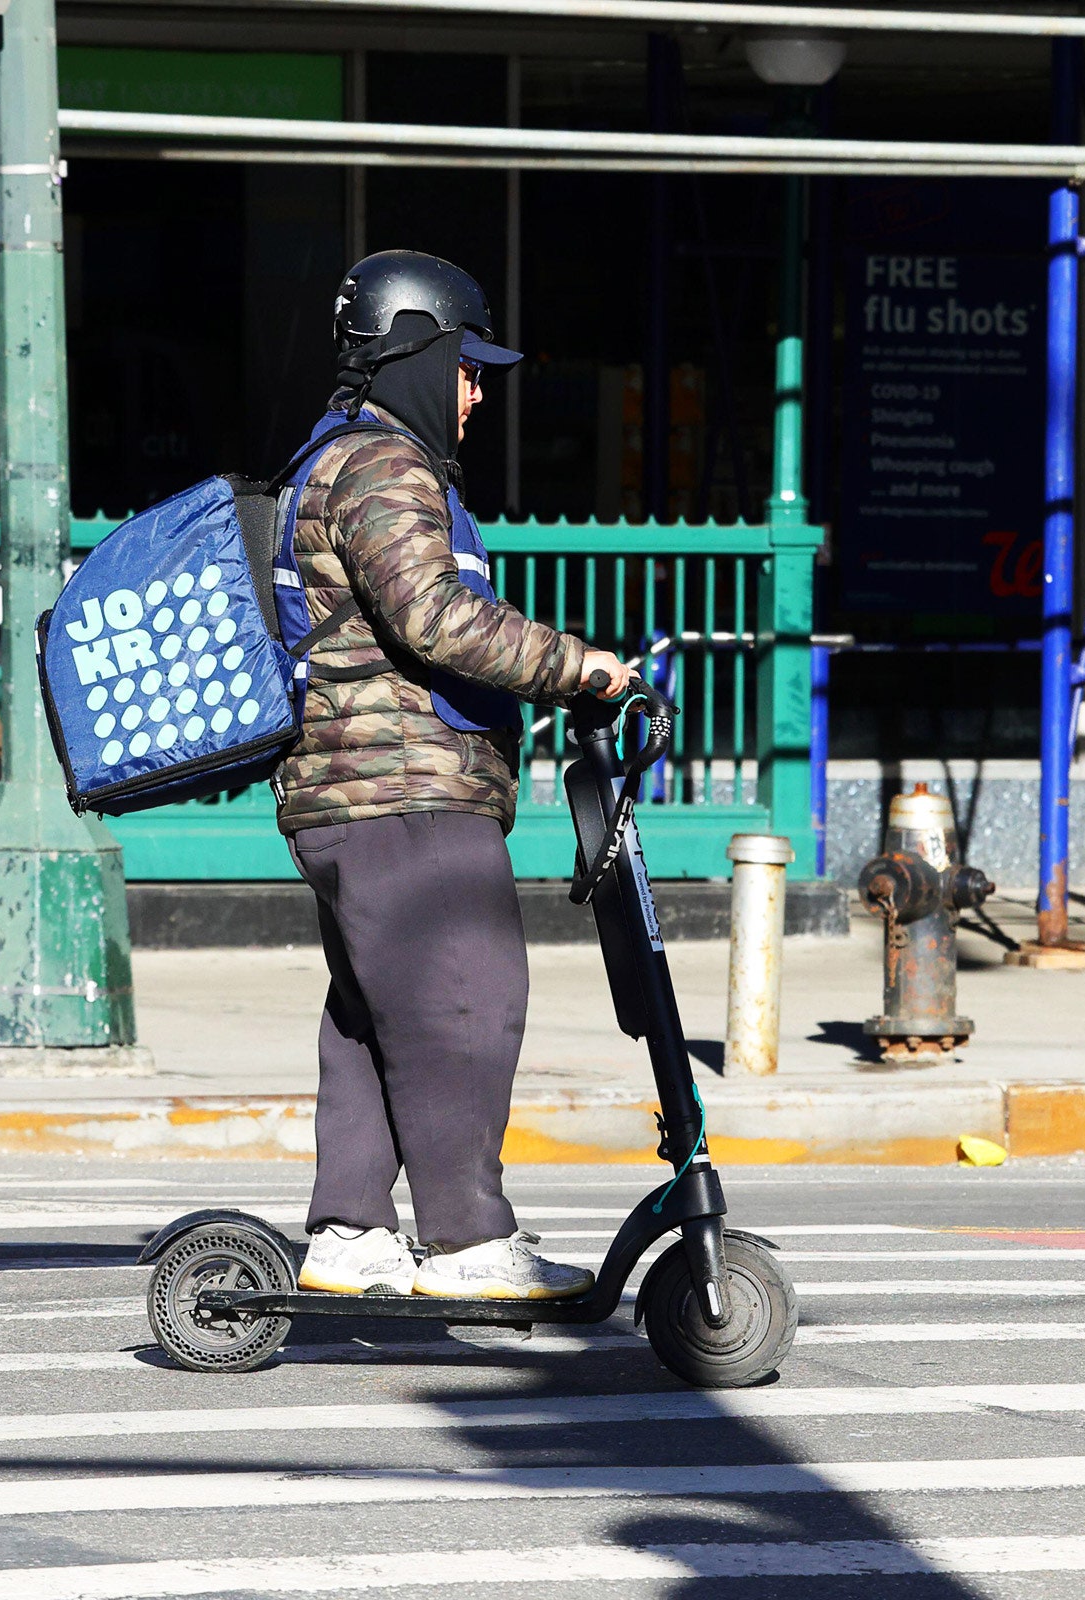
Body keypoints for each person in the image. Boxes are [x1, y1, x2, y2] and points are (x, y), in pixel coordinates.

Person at [277, 251, 632, 1301]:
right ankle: (469, 1238)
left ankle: (350, 1230)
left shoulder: (332, 460)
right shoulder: (386, 467)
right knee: (467, 996)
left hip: (350, 796)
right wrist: (585, 669)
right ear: (416, 358)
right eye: (467, 368)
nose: (478, 393)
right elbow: (434, 618)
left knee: (374, 1013)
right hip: (403, 793)